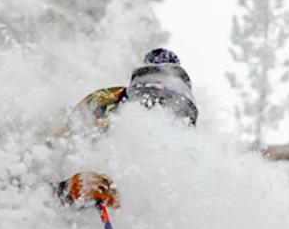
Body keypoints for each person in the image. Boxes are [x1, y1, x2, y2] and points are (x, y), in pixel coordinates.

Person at [57, 48, 198, 207]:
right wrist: (66, 190)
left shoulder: (185, 161)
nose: (159, 116)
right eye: (149, 103)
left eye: (175, 112)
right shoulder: (100, 109)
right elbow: (33, 184)